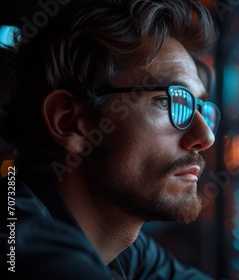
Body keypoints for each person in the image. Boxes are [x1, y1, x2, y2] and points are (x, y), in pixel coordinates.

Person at [0, 0, 220, 279]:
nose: (206, 137)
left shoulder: (126, 249)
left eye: (200, 108)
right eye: (168, 102)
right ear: (71, 123)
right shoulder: (26, 254)